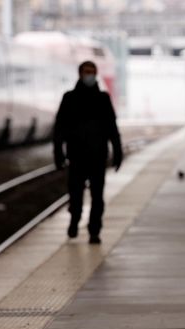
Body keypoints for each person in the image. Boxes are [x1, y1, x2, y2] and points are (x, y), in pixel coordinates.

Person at [53, 60, 123, 244]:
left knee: (97, 196)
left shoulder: (103, 99)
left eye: (92, 71)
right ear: (80, 73)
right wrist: (58, 153)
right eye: (86, 71)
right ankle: (75, 219)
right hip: (76, 155)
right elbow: (59, 128)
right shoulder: (69, 98)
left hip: (98, 156)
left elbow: (112, 127)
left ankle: (94, 230)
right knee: (75, 194)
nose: (89, 75)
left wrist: (117, 151)